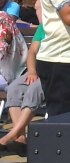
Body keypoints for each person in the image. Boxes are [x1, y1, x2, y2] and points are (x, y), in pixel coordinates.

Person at [1, 22, 41, 155]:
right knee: (14, 88)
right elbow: (32, 52)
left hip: (54, 72)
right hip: (37, 71)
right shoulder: (44, 27)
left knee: (34, 89)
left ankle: (10, 135)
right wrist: (32, 71)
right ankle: (20, 137)